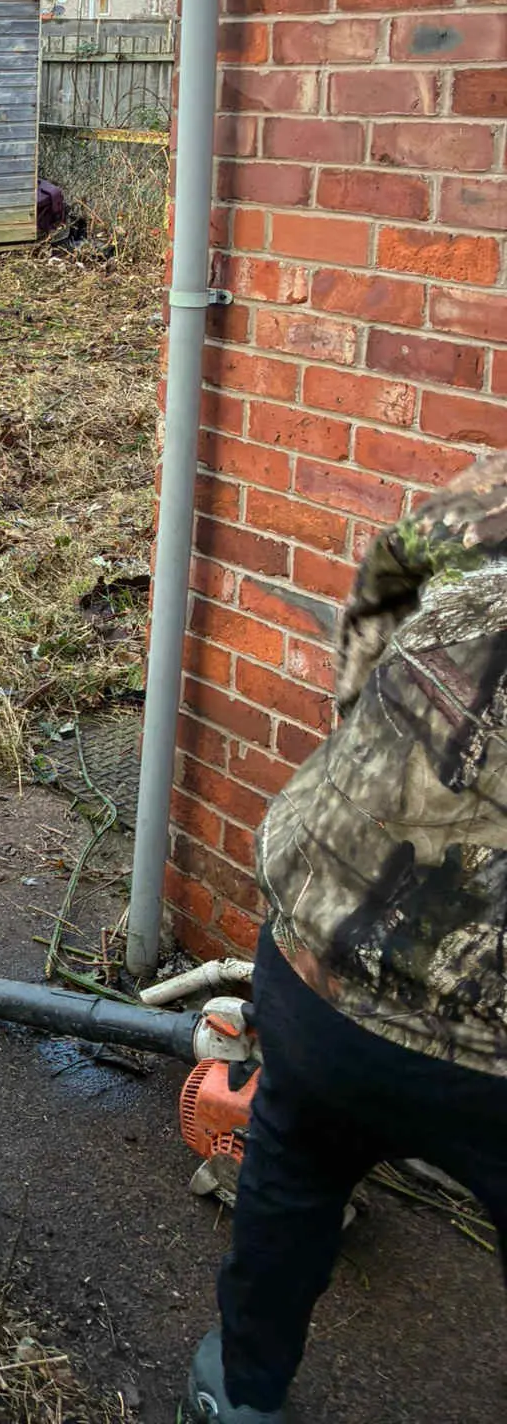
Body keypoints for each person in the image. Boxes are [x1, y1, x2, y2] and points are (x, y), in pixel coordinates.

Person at [186, 456, 507, 1423]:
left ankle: (239, 1394)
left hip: (327, 955)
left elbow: (379, 610)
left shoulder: (486, 502)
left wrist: (384, 758)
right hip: (482, 1049)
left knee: (295, 1164)